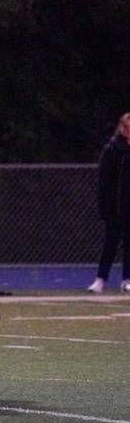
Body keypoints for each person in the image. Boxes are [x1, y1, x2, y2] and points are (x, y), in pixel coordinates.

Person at [88, 113, 130, 293]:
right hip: (114, 206)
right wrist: (105, 206)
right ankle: (101, 279)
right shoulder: (113, 149)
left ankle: (127, 279)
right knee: (110, 242)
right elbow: (104, 180)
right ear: (122, 128)